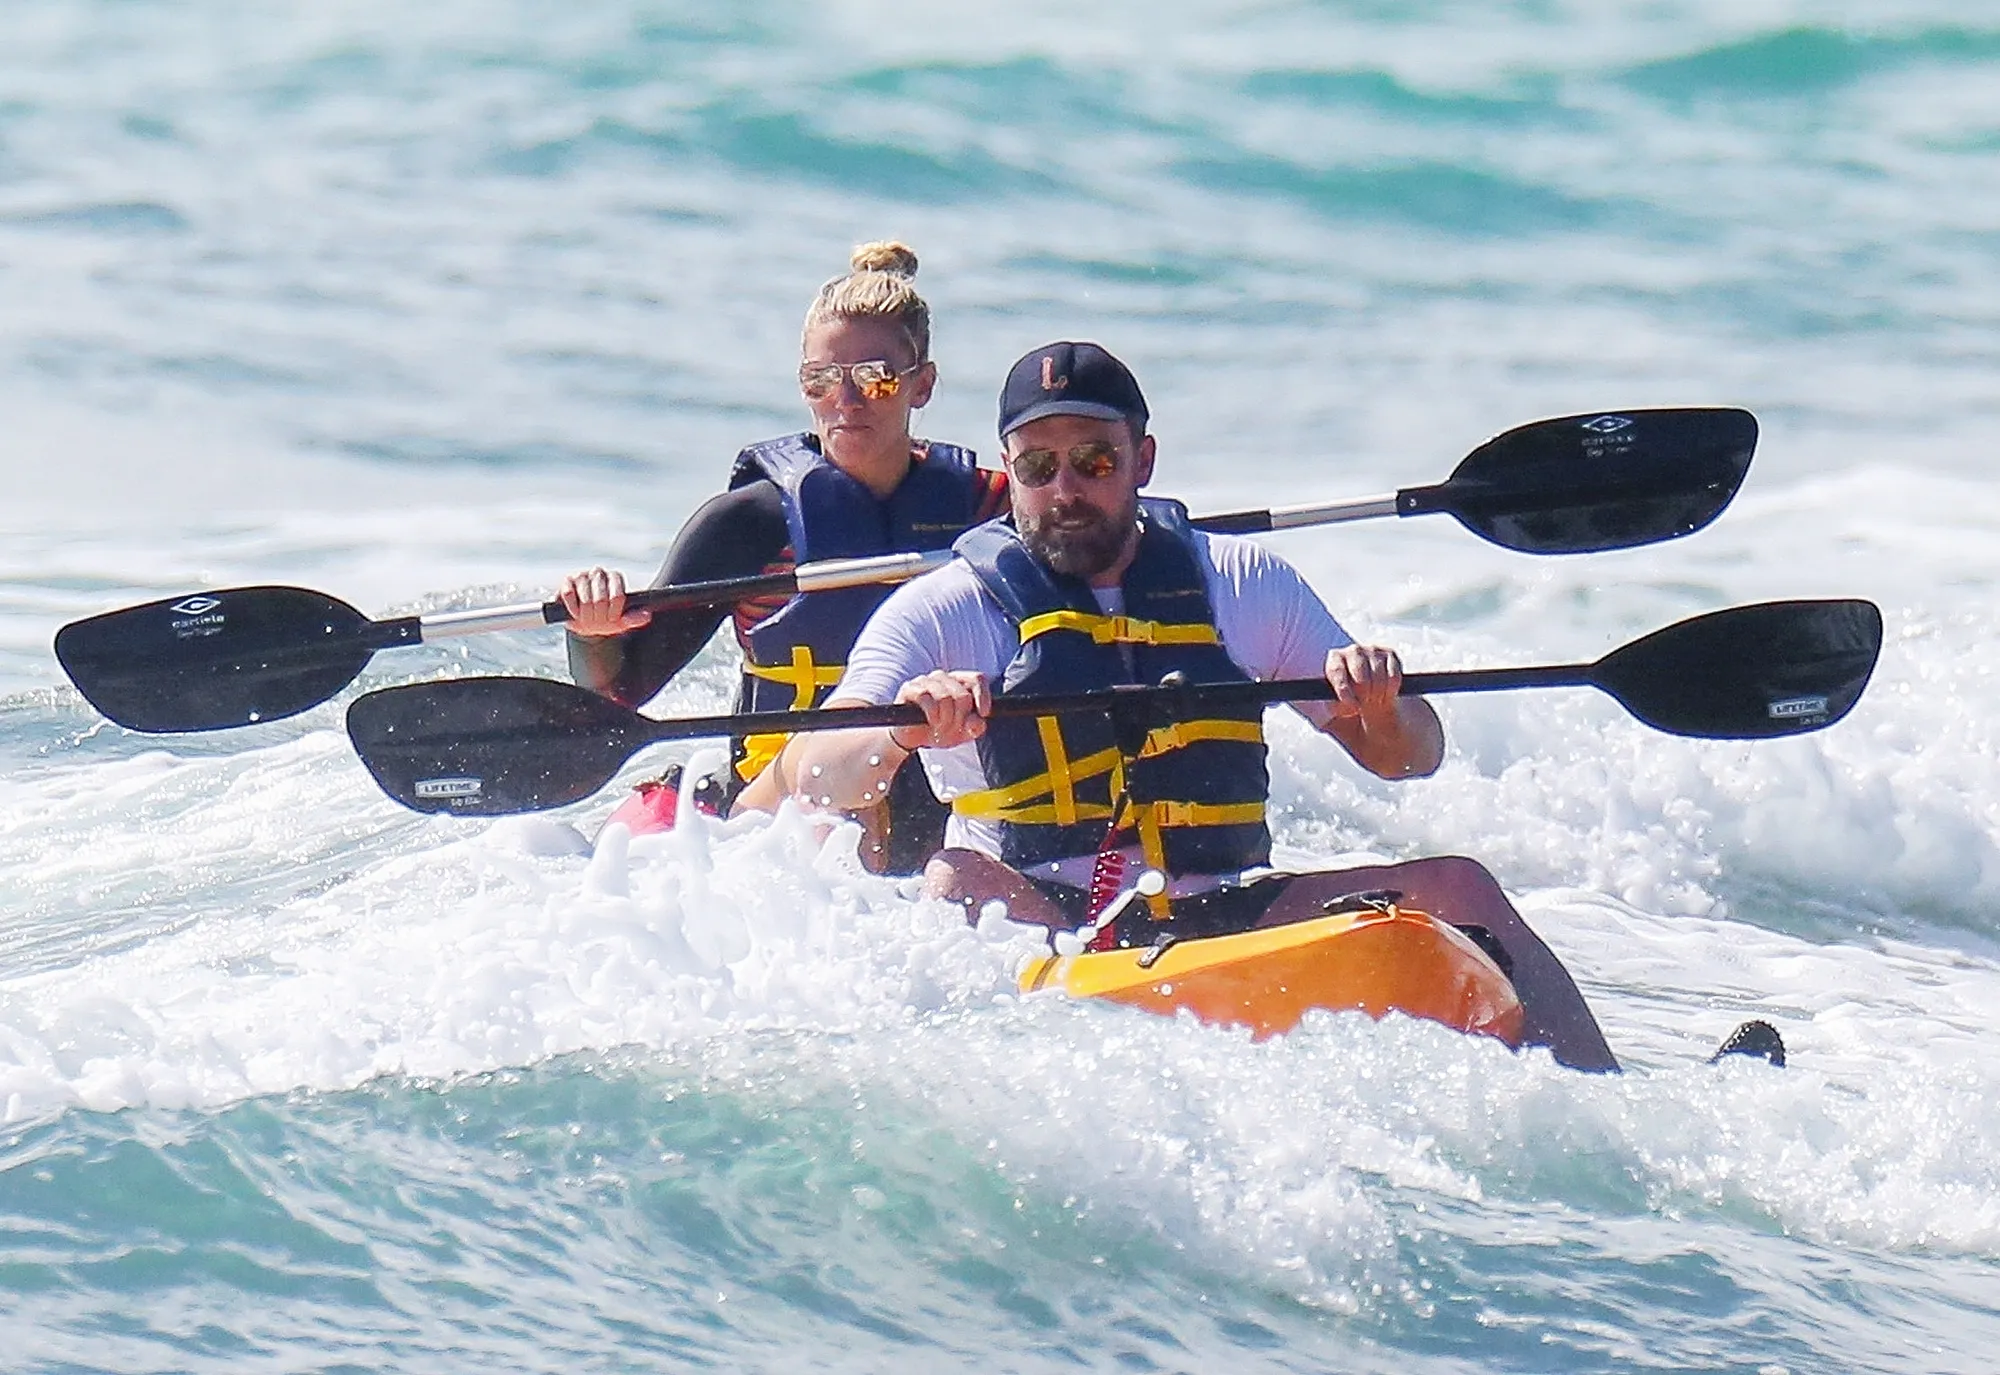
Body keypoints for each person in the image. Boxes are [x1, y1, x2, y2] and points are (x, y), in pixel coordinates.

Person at [768, 340, 1620, 1072]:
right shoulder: (945, 609)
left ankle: (1603, 1098)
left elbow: (1414, 758)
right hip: (1040, 916)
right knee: (953, 877)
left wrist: (1381, 706)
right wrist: (899, 729)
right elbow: (813, 773)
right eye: (1037, 467)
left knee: (1460, 885)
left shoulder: (1244, 584)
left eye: (1095, 462)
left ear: (1142, 461)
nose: (1065, 488)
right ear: (1010, 473)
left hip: (1225, 911)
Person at [556, 241, 1008, 871]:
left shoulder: (992, 509)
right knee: (835, 811)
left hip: (943, 799)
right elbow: (617, 690)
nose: (846, 401)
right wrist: (591, 630)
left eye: (875, 377)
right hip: (783, 805)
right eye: (822, 380)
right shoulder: (748, 527)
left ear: (922, 384)